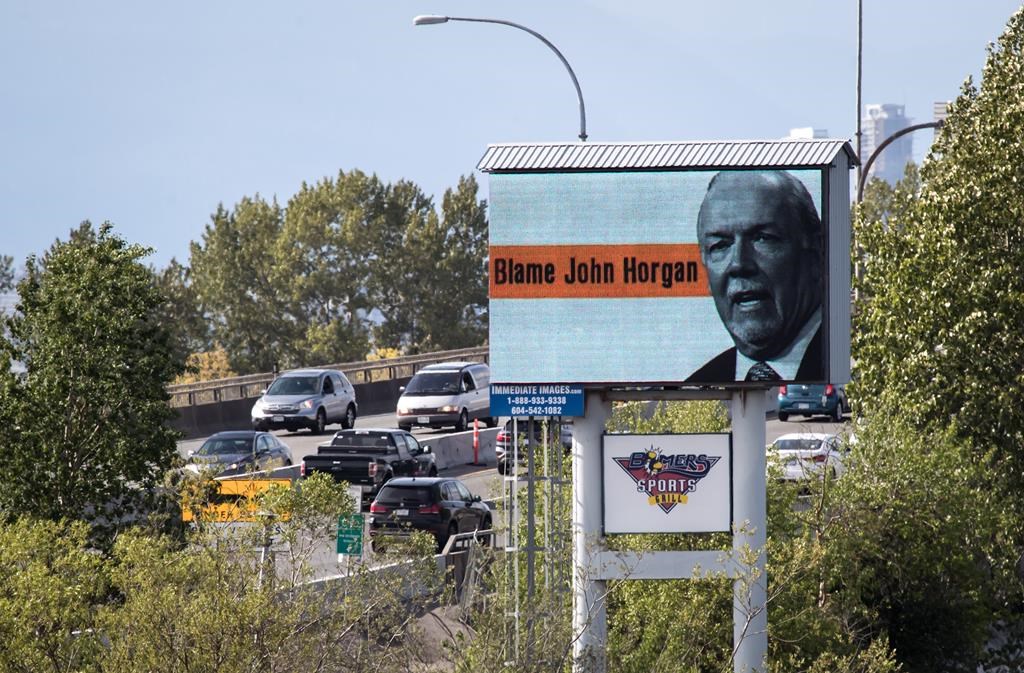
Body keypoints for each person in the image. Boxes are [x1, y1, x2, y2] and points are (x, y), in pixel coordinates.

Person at [686, 170, 823, 383]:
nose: (739, 264)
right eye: (720, 245)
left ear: (816, 253)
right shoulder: (700, 382)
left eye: (763, 238)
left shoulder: (851, 364)